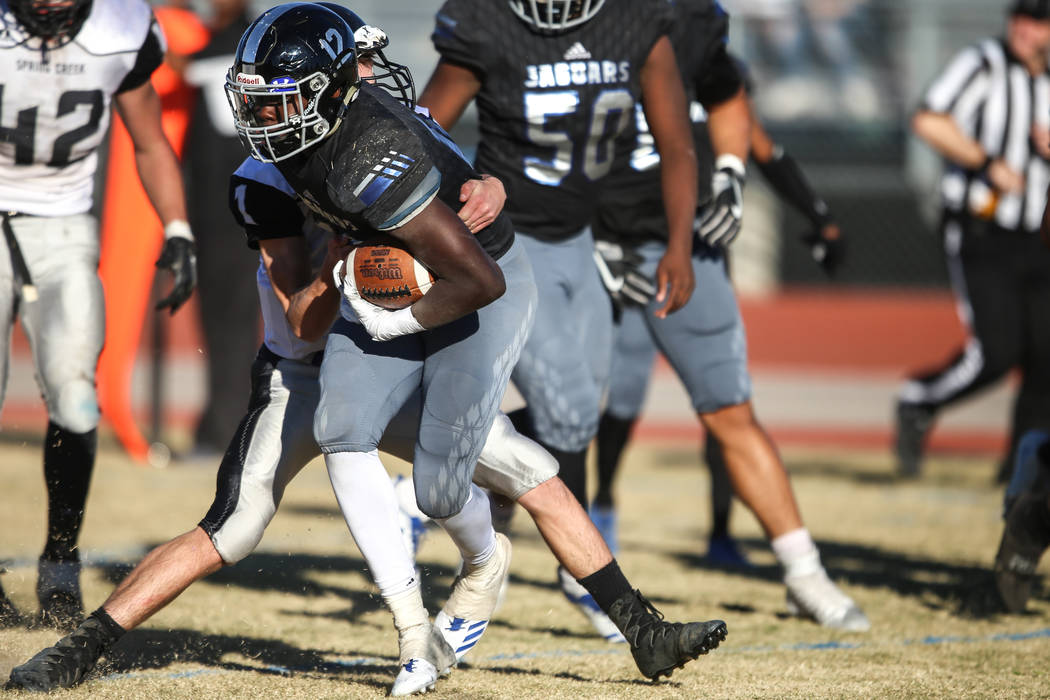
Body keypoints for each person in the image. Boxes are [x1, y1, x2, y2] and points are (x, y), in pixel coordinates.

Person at [6, 9, 727, 694]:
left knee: (528, 470)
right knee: (234, 524)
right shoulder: (264, 182)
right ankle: (83, 645)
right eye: (256, 103)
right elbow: (304, 318)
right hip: (303, 365)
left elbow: (457, 194)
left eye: (276, 102)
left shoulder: (379, 141)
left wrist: (486, 188)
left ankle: (635, 625)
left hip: (398, 338)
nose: (258, 120)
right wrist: (346, 257)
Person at [588, 1, 867, 632]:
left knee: (730, 410)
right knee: (569, 411)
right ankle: (578, 554)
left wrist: (735, 173)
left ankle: (803, 572)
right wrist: (581, 238)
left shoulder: (696, 22)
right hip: (587, 239)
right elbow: (528, 135)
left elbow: (729, 92)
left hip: (683, 244)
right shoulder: (572, 24)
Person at [420, 0, 699, 629]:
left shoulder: (634, 22)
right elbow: (423, 128)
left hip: (581, 236)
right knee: (568, 407)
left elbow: (677, 143)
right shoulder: (488, 24)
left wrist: (677, 245)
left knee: (577, 419)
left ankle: (465, 467)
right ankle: (592, 579)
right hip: (512, 243)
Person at [0, 0, 196, 630]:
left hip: (63, 226)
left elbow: (148, 142)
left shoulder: (123, 27)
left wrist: (178, 227)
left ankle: (61, 560)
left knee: (78, 400)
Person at [895, 0, 1050, 481]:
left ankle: (1019, 471)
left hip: (1039, 235)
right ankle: (919, 399)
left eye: (1039, 18)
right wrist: (986, 163)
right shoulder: (982, 63)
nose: (1026, 28)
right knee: (997, 351)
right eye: (1021, 16)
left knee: (1045, 356)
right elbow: (927, 119)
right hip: (982, 229)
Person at [181, 0, 259, 459]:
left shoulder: (245, 46)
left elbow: (201, 82)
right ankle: (220, 420)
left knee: (231, 320)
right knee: (220, 319)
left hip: (236, 211)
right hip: (215, 210)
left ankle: (227, 428)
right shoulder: (218, 42)